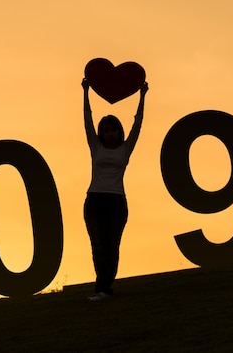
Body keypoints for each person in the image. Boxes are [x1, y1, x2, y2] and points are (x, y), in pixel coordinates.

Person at [82, 77, 148, 301]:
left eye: (114, 130)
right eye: (106, 130)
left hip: (117, 201)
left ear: (119, 132)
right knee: (98, 246)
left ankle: (104, 289)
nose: (110, 133)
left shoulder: (125, 148)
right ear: (101, 133)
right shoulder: (95, 146)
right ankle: (102, 289)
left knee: (111, 247)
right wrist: (86, 91)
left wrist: (142, 95)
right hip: (94, 200)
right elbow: (87, 120)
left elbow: (138, 123)